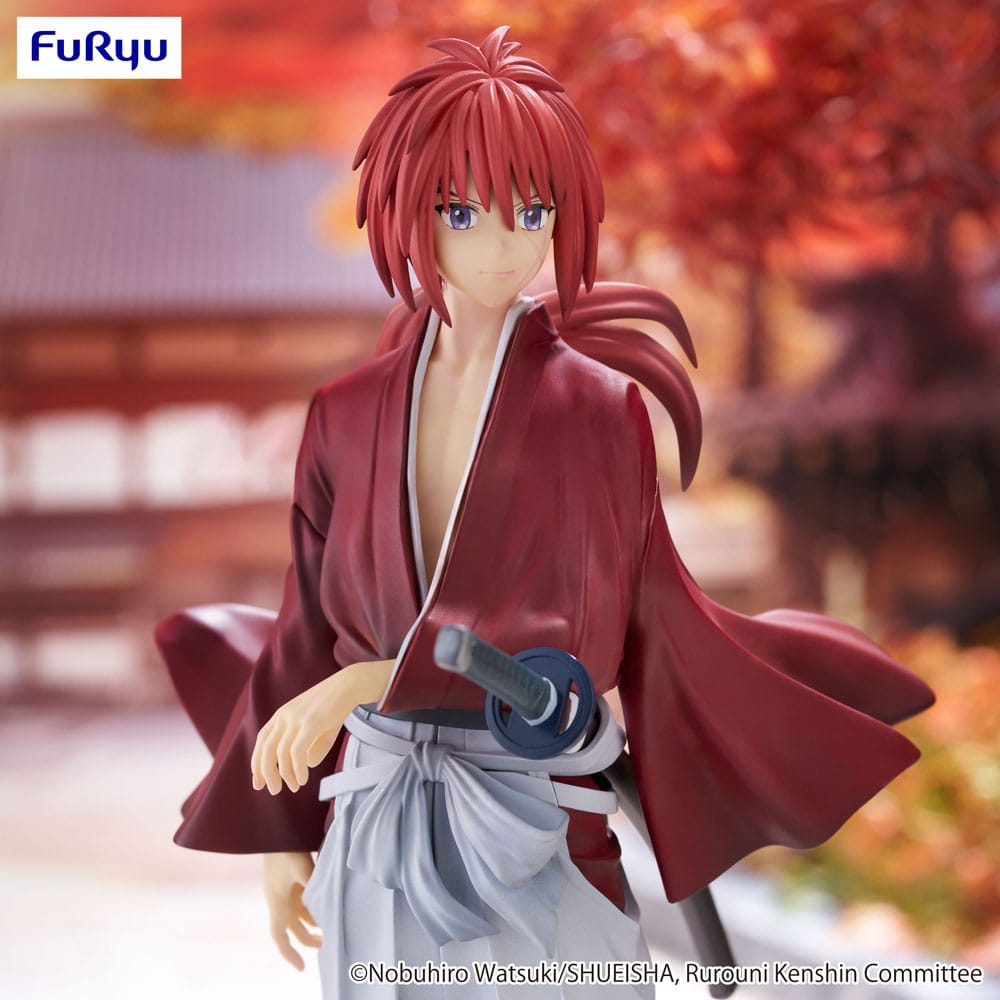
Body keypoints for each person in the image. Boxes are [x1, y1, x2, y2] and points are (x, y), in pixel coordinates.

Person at [158, 26, 934, 999]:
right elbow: (305, 626)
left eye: (530, 210)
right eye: (462, 210)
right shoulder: (346, 412)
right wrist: (283, 832)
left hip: (532, 810)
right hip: (372, 819)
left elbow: (574, 631)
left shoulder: (596, 410)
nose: (502, 245)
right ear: (409, 210)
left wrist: (367, 681)